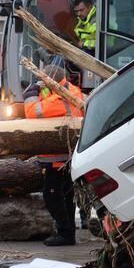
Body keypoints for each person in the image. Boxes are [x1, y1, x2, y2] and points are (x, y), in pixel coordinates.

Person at [24, 63, 83, 246]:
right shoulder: (71, 90)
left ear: (50, 81)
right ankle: (67, 232)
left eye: (42, 81)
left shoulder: (62, 97)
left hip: (57, 156)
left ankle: (65, 233)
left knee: (52, 196)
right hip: (64, 154)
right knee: (66, 195)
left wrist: (30, 94)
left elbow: (32, 112)